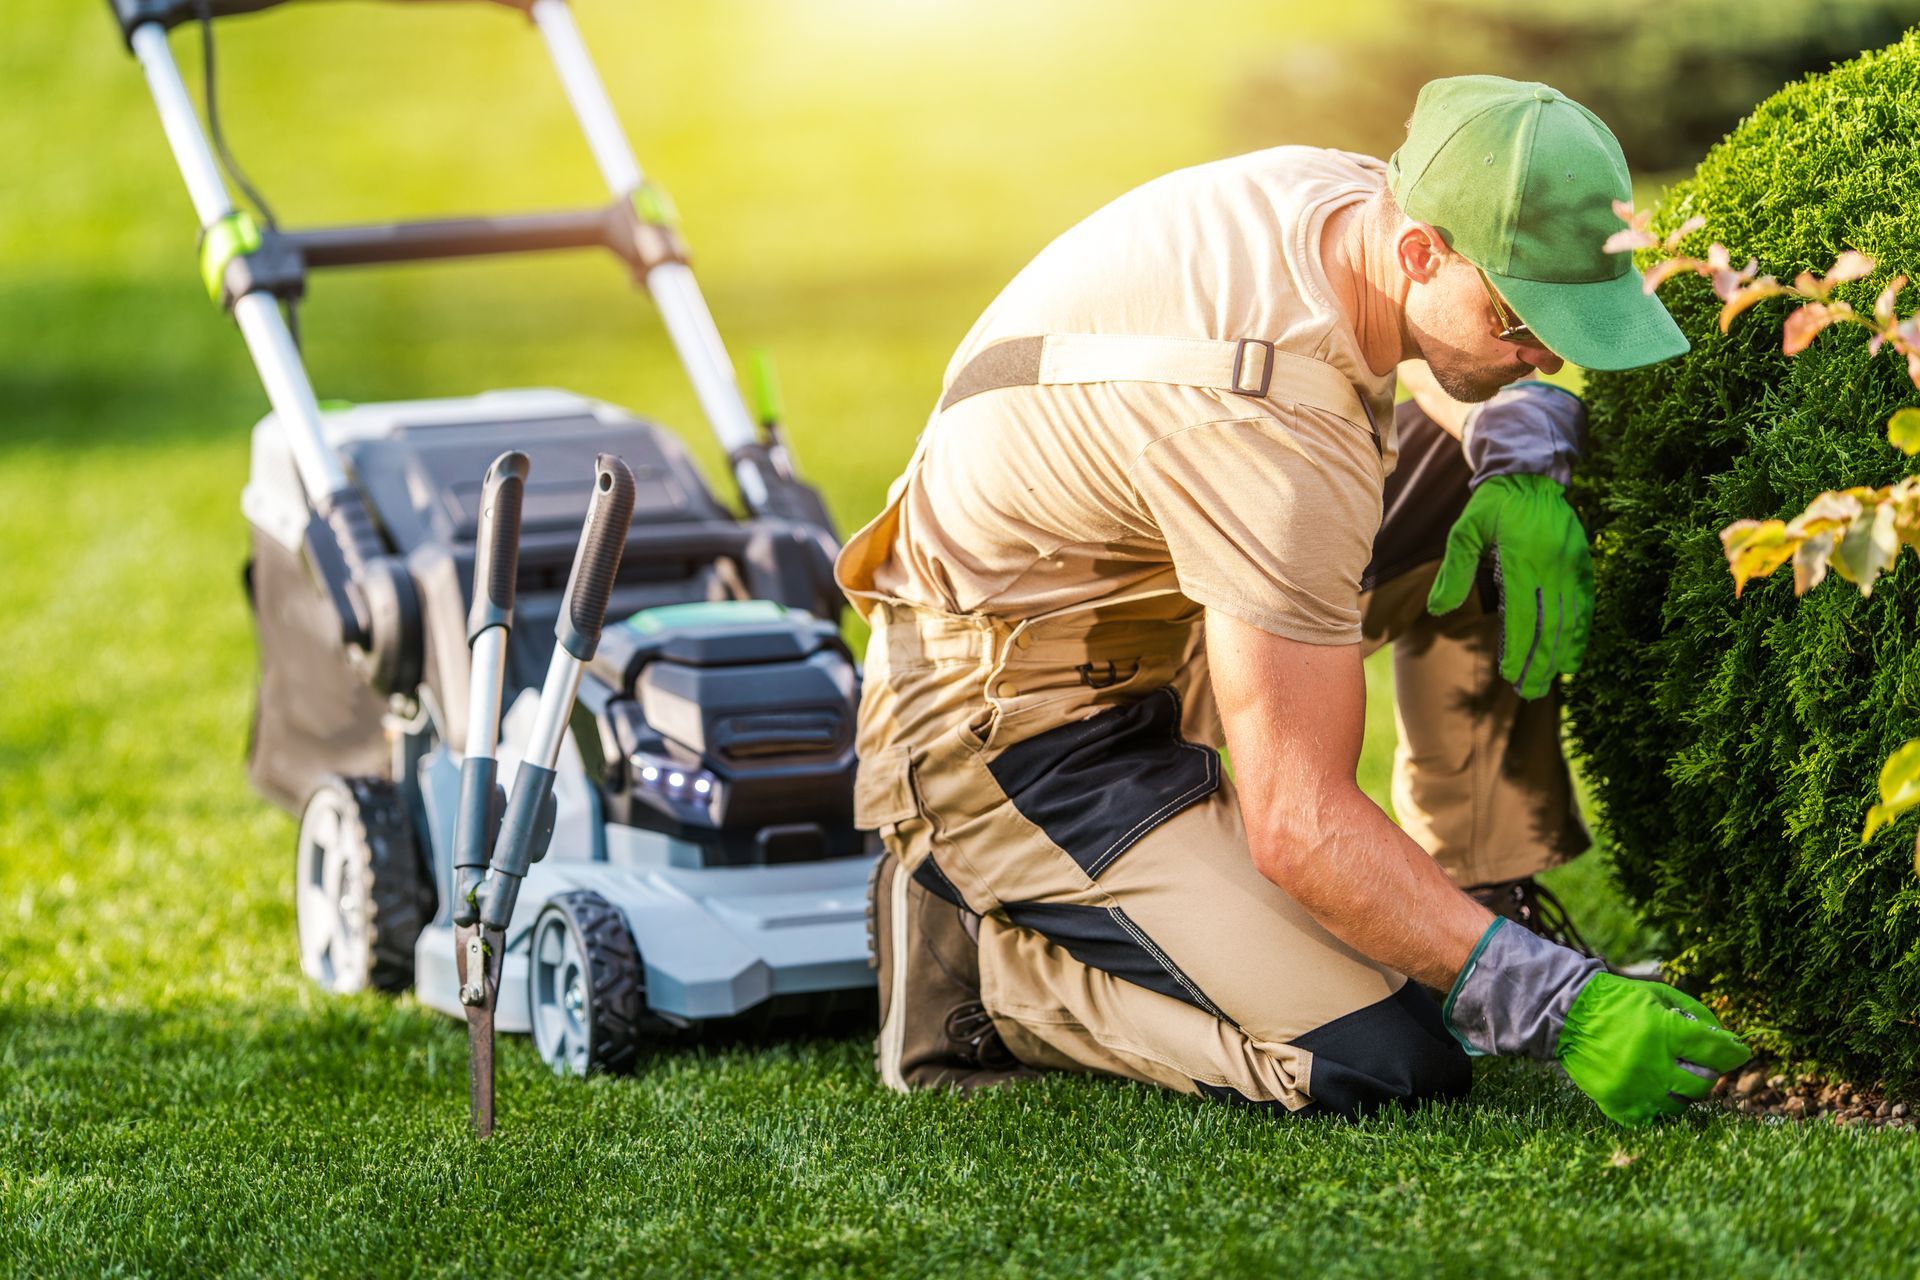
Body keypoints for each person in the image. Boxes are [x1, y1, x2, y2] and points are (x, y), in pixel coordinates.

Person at [836, 75, 1750, 1124]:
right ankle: (995, 978)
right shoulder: (1269, 430)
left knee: (1483, 509)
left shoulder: (1359, 202)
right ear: (1421, 251)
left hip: (1160, 601)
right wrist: (1546, 1001)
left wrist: (1521, 461)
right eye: (1521, 319)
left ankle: (1488, 891)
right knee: (1389, 1053)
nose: (1546, 353)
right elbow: (1300, 824)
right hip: (1014, 726)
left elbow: (1453, 370)